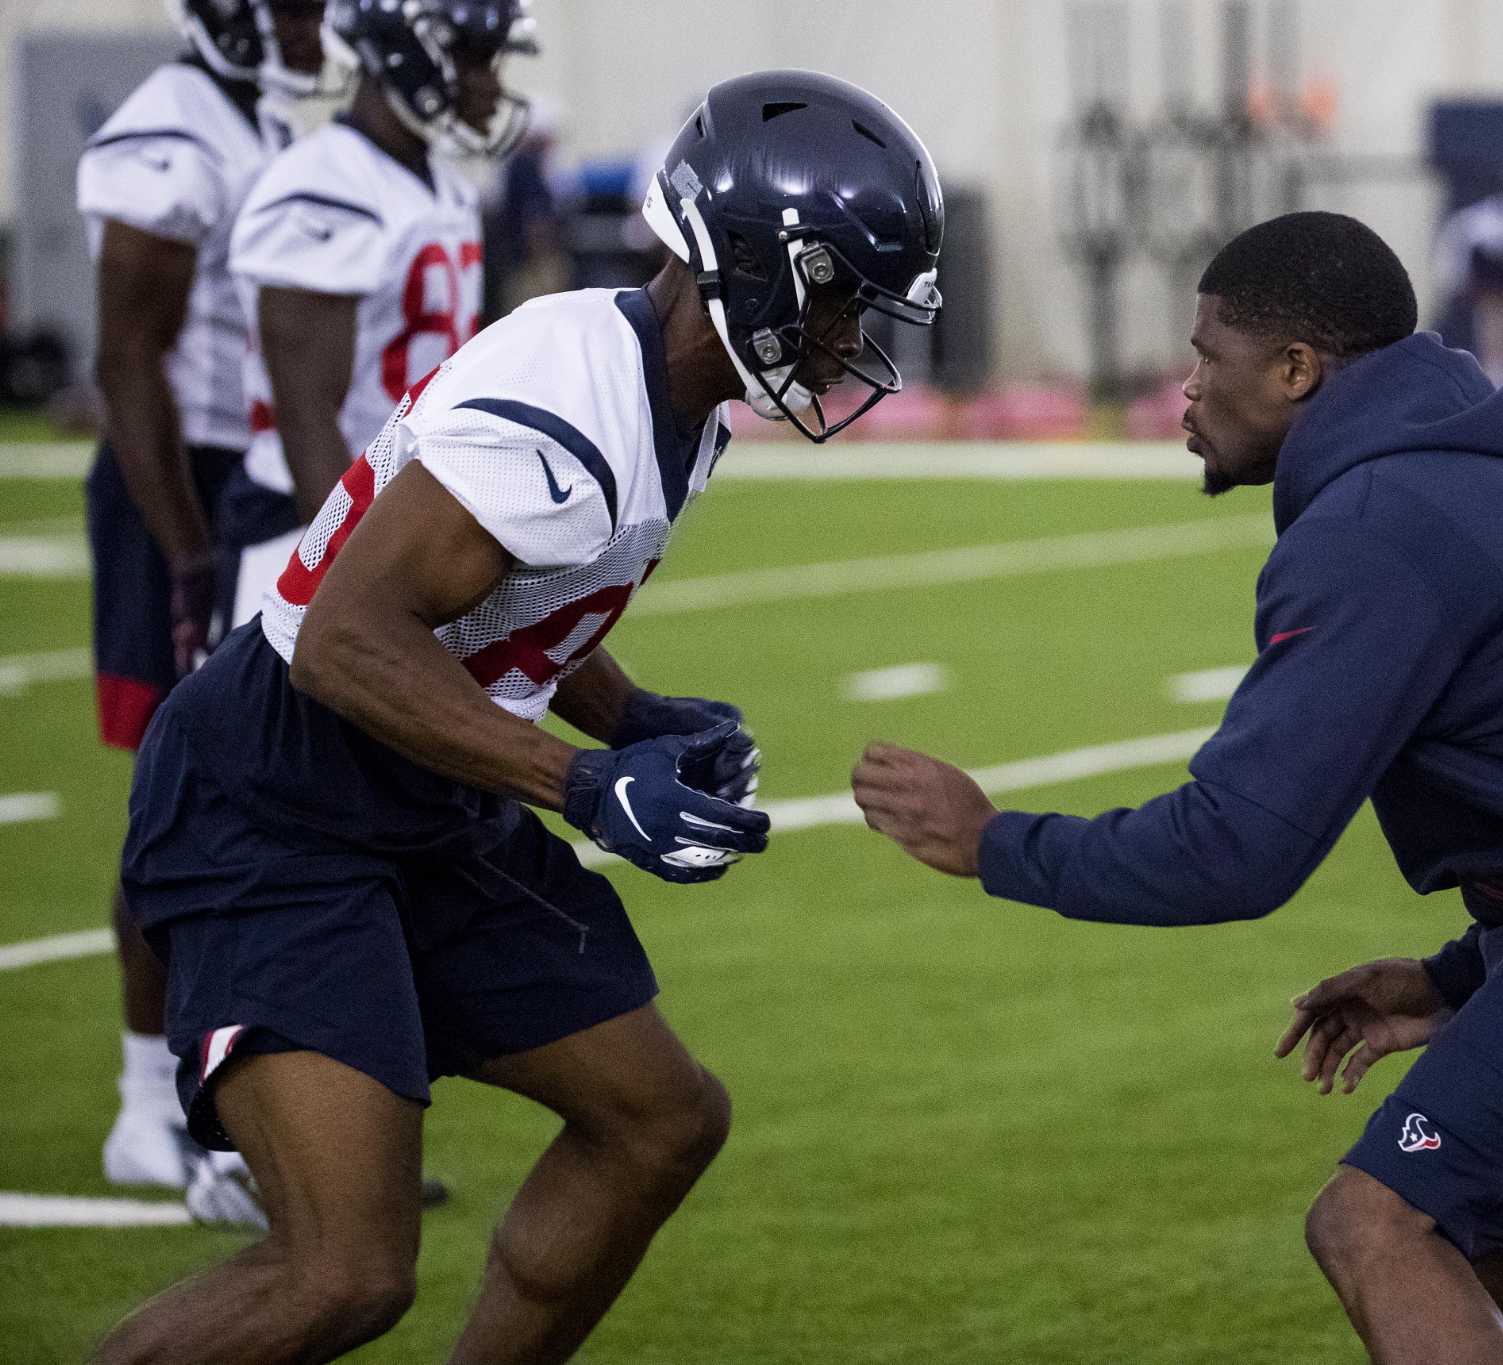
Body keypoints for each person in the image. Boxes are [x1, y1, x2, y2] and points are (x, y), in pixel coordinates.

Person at [852, 210, 1503, 1365]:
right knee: (1456, 1212)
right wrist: (1458, 979)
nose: (1184, 389)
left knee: (1373, 1222)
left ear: (1296, 370)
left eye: (1207, 356)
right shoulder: (1475, 472)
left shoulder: (1380, 521)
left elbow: (1234, 850)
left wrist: (994, 843)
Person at [95, 70, 942, 1365]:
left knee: (659, 1117)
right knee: (344, 1269)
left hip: (417, 789)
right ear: (753, 265)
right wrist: (583, 783)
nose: (845, 342)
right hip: (279, 795)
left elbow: (508, 604)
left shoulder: (666, 389)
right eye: (835, 301)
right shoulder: (572, 393)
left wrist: (632, 713)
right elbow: (346, 640)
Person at [77, 0, 330, 1226]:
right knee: (184, 793)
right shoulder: (169, 130)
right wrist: (185, 551)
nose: (313, 23)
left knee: (274, 790)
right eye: (292, 4)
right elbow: (128, 358)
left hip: (254, 479)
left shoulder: (261, 115)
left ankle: (283, 1112)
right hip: (180, 484)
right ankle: (149, 1105)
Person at [216, 0, 536, 636]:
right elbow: (307, 417)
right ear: (408, 52)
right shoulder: (328, 183)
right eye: (474, 58)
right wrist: (360, 577)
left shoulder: (440, 182)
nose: (492, 82)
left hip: (395, 514)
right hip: (306, 533)